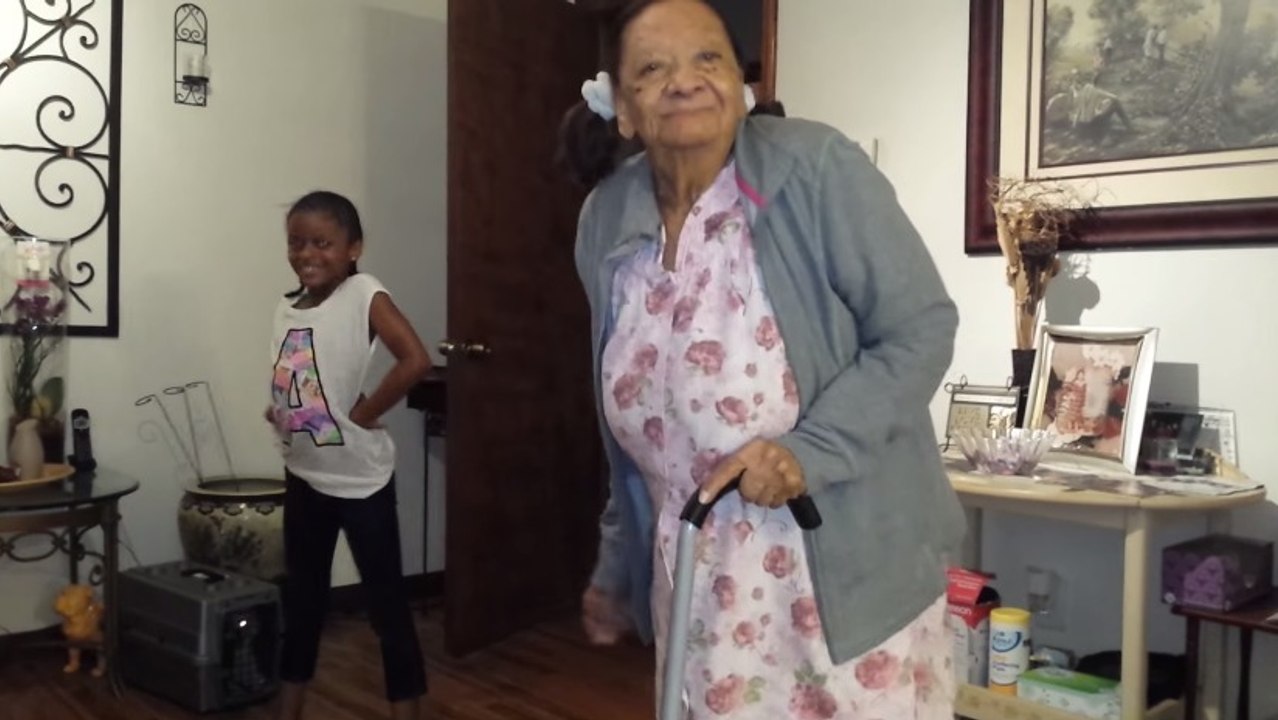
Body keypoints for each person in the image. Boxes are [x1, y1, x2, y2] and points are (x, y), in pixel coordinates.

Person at [557, 0, 965, 717]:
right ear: (620, 106)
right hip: (695, 590)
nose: (685, 82)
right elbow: (636, 429)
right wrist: (617, 562)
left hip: (839, 581)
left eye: (707, 58)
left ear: (740, 82)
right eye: (653, 68)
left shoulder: (814, 169)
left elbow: (919, 328)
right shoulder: (607, 218)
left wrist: (808, 450)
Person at [266, 190, 431, 720]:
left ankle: (406, 713)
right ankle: (288, 710)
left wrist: (364, 414)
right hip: (305, 475)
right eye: (296, 242)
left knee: (386, 609)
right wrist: (285, 412)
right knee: (303, 603)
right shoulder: (287, 306)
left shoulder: (363, 293)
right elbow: (309, 379)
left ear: (353, 247)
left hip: (361, 482)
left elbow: (415, 359)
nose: (307, 253)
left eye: (322, 243)